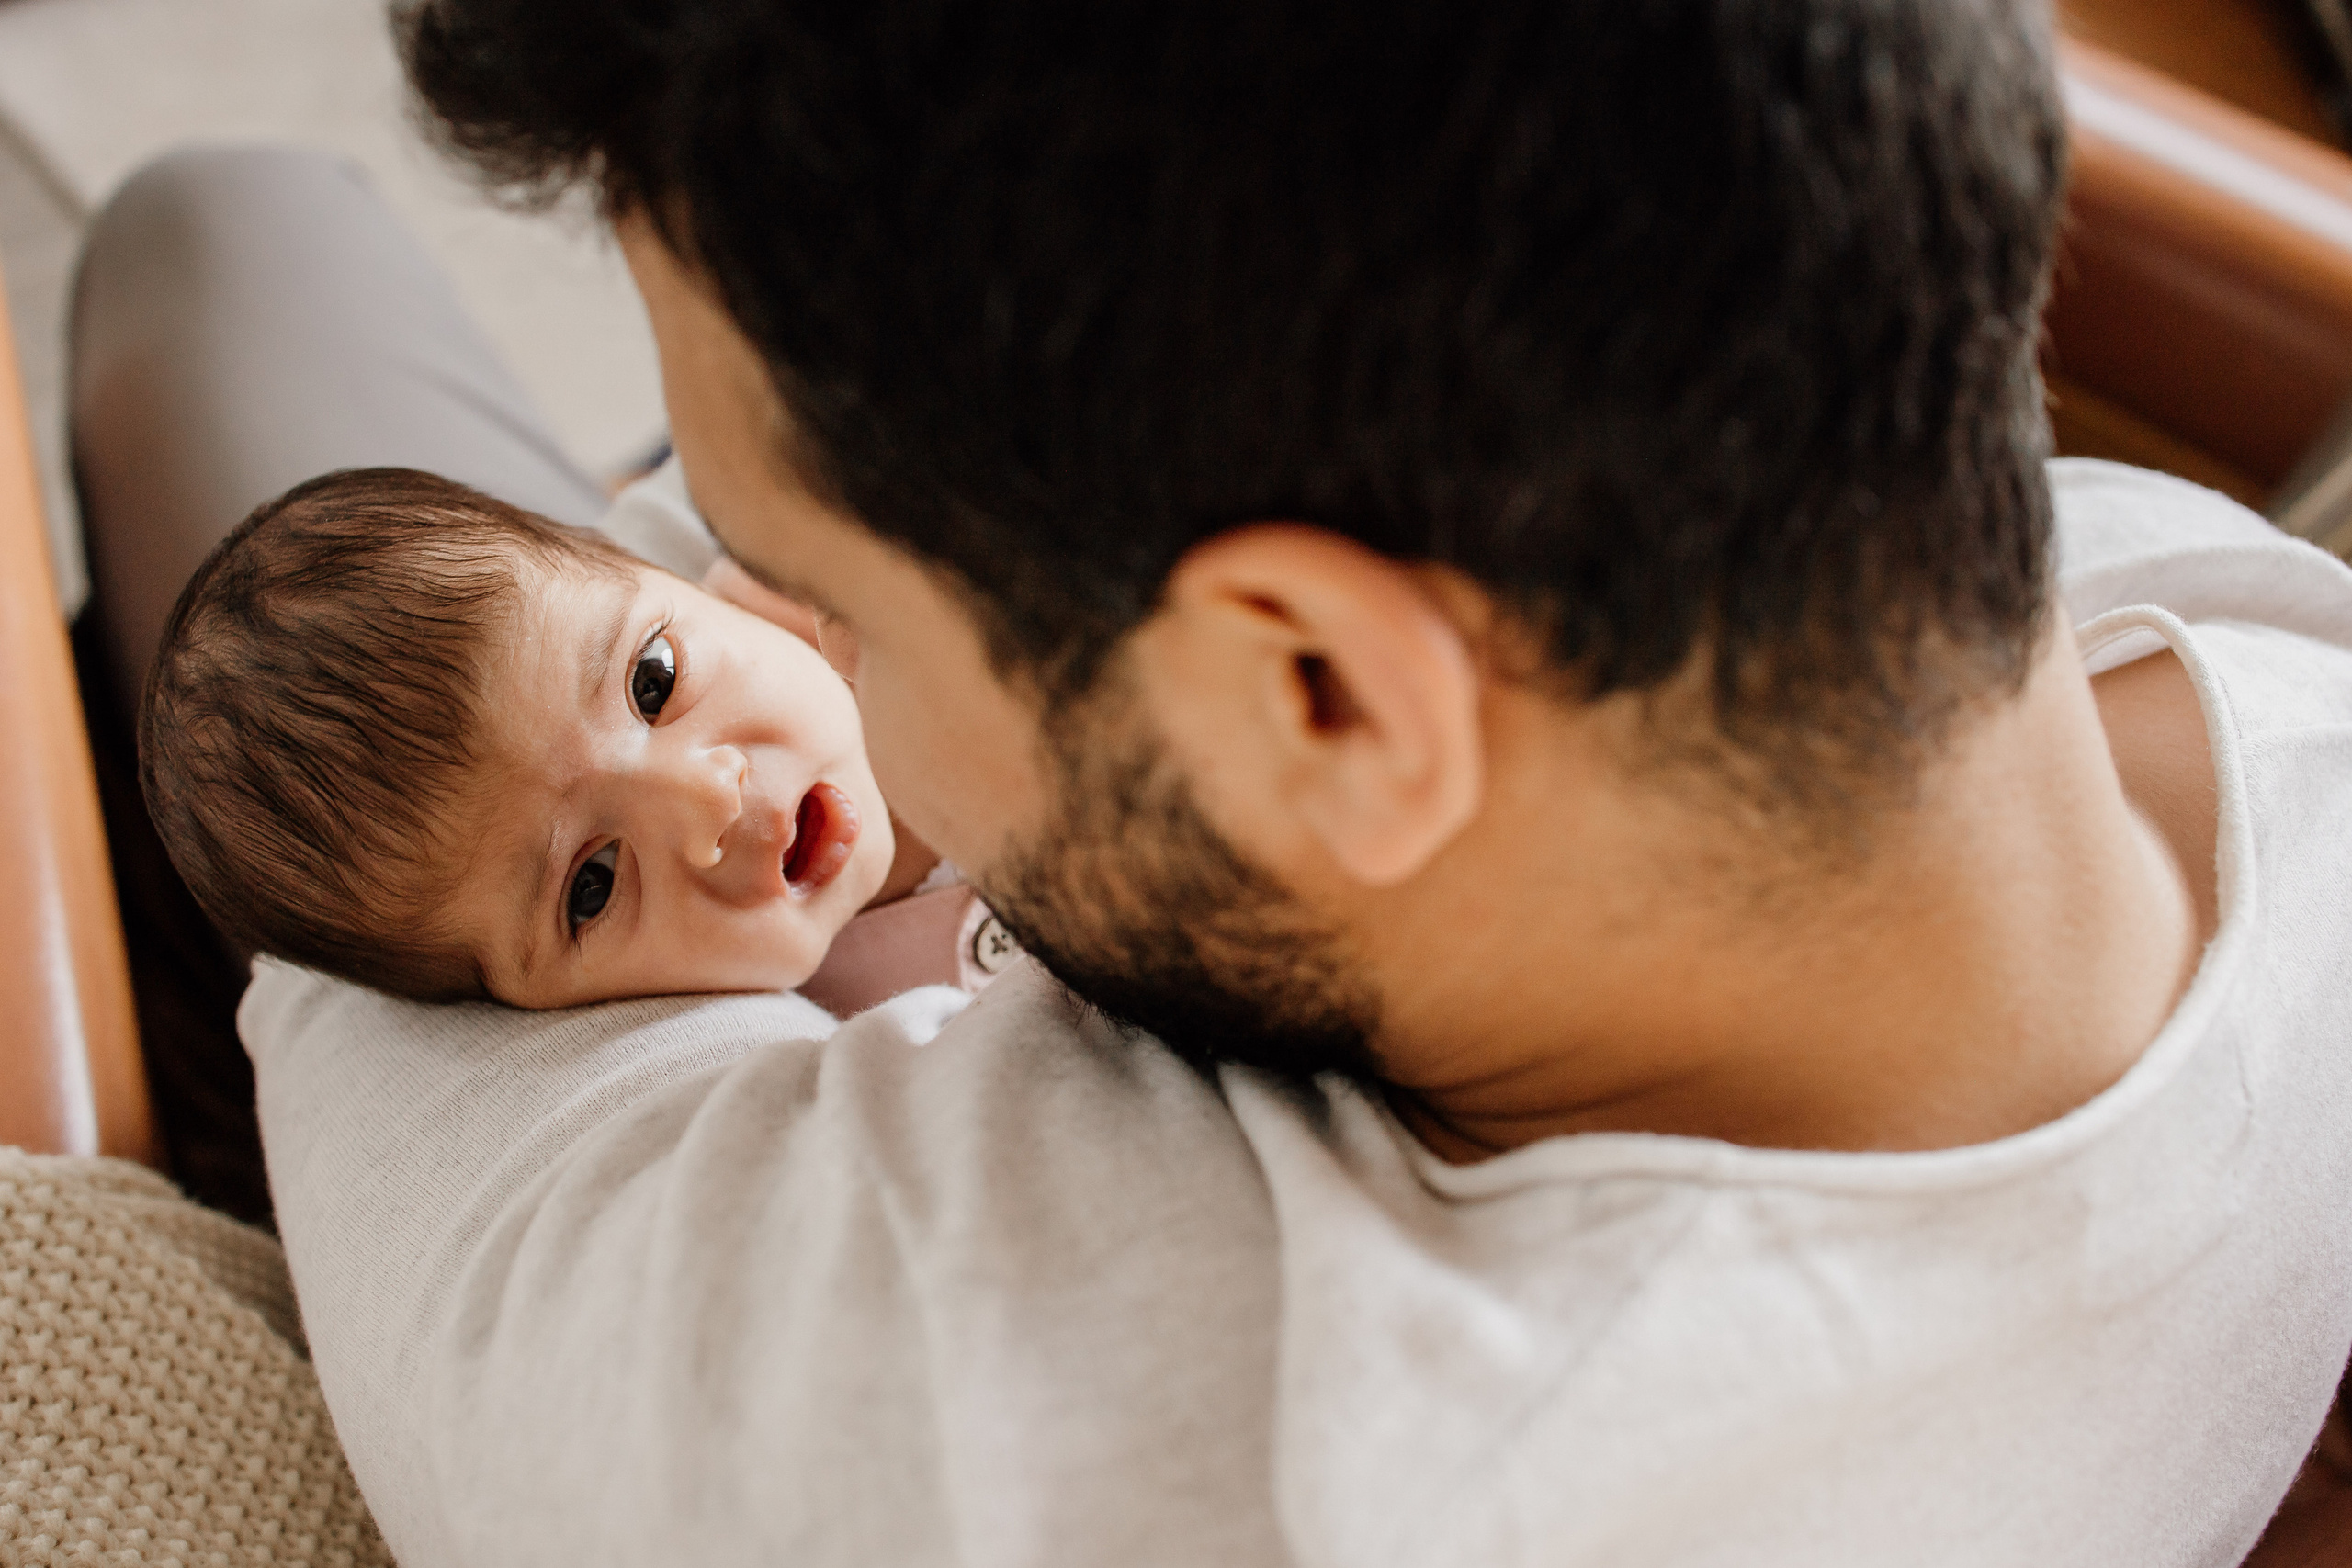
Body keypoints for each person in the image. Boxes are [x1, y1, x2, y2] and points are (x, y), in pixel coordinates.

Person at [69, 1, 2352, 1563]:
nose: (784, 648)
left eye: (791, 576)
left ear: (1318, 699)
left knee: (212, 234)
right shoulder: (2216, 639)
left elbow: (348, 988)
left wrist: (506, 787)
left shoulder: (1078, 1443)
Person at [136, 465, 1000, 1017]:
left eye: (653, 683)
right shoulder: (827, 1047)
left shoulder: (865, 571)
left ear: (657, 571)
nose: (710, 804)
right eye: (592, 885)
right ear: (527, 1003)